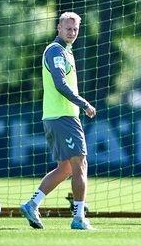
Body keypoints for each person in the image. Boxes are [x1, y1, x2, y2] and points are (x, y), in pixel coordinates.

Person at [20, 12, 96, 230]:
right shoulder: (55, 50)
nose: (72, 32)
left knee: (65, 168)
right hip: (63, 117)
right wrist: (85, 104)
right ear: (58, 28)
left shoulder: (66, 51)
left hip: (57, 117)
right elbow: (60, 84)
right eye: (68, 28)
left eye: (75, 29)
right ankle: (79, 218)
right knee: (80, 164)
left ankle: (32, 204)